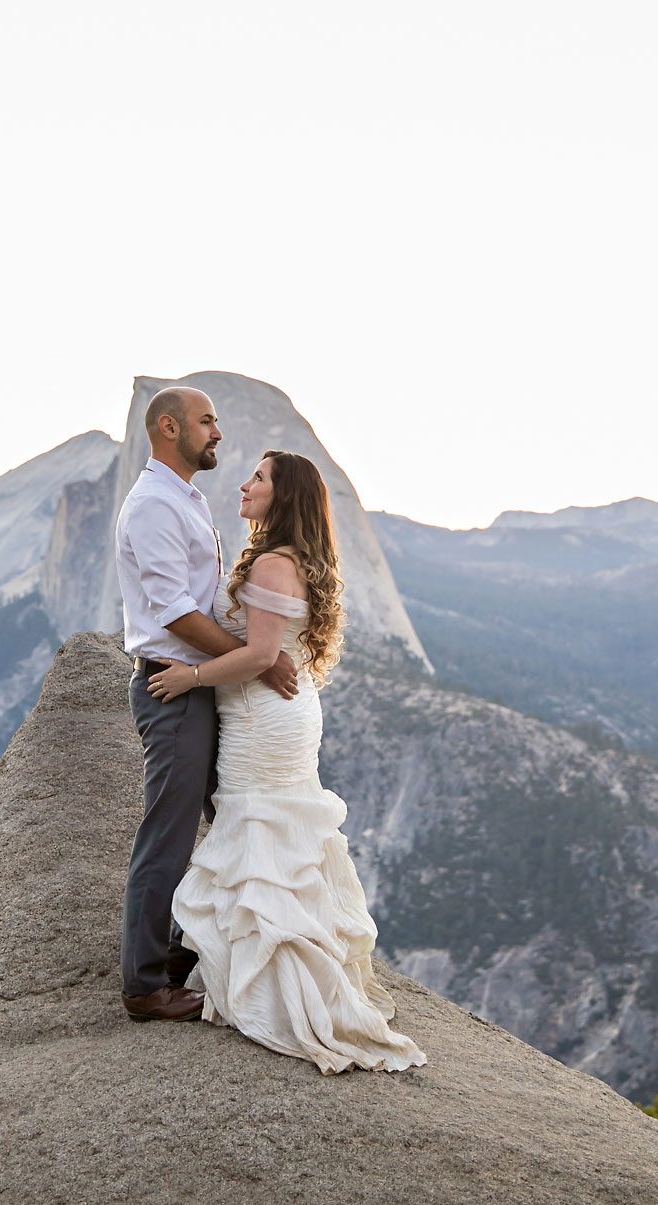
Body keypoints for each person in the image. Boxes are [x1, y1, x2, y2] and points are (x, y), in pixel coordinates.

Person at [147, 448, 426, 1074]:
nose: (245, 485)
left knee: (259, 831)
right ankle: (277, 958)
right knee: (272, 834)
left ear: (285, 496)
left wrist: (189, 677)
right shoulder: (291, 560)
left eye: (259, 478)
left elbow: (259, 656)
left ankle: (279, 983)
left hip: (261, 717)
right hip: (281, 716)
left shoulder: (274, 564)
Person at [114, 386, 299, 1023]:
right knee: (167, 834)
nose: (218, 432)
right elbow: (175, 613)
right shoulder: (154, 507)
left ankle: (182, 954)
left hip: (202, 686)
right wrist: (257, 658)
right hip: (175, 687)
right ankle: (145, 985)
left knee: (229, 820)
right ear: (169, 428)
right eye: (206, 420)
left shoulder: (183, 498)